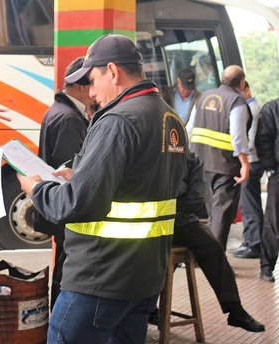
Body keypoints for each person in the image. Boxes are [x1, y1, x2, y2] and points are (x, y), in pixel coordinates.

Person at [17, 34, 188, 343]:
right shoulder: (170, 118)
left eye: (93, 80)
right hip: (146, 277)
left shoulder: (118, 120)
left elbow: (77, 204)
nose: (91, 93)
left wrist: (36, 189)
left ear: (112, 71)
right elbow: (143, 184)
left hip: (101, 277)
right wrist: (81, 172)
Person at [155, 152, 265, 332]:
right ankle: (149, 306)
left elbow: (196, 199)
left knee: (213, 247)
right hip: (153, 221)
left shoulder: (191, 159)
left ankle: (235, 309)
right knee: (159, 257)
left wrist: (170, 205)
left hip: (181, 220)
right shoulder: (154, 154)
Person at [34, 56, 96, 309]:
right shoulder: (70, 118)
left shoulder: (57, 110)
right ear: (80, 87)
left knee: (62, 267)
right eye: (90, 85)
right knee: (65, 273)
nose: (93, 93)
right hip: (65, 210)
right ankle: (59, 326)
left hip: (57, 208)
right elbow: (69, 168)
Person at [189, 65, 250, 251]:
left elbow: (189, 128)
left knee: (210, 213)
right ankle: (214, 259)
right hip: (225, 167)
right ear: (241, 82)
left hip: (201, 163)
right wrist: (244, 163)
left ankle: (206, 256)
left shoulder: (203, 97)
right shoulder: (236, 100)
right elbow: (237, 136)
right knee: (221, 214)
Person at [233, 81, 264, 259]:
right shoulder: (249, 106)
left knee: (249, 204)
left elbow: (249, 140)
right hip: (251, 160)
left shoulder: (251, 108)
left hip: (252, 161)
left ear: (246, 89)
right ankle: (249, 241)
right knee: (247, 203)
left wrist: (240, 155)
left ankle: (254, 244)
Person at [255, 98, 279, 282]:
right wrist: (270, 168)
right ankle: (266, 267)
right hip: (278, 172)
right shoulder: (273, 108)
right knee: (273, 221)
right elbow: (263, 139)